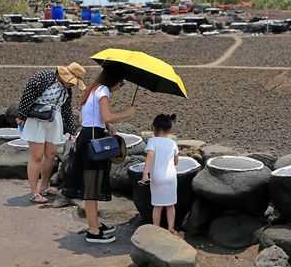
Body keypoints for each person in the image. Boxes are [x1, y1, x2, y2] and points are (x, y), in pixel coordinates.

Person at [75, 66, 136, 243]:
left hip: (87, 137)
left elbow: (84, 118)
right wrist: (127, 113)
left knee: (90, 186)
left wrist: (105, 126)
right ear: (114, 80)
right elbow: (107, 116)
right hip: (94, 141)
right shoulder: (103, 91)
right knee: (92, 188)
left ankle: (95, 223)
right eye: (122, 83)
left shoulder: (92, 90)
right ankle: (93, 232)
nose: (121, 86)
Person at [16, 62, 86, 204]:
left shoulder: (67, 90)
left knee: (51, 155)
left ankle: (44, 186)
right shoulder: (43, 77)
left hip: (54, 119)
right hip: (37, 119)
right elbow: (27, 96)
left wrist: (72, 130)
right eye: (72, 82)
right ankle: (34, 192)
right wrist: (22, 115)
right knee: (37, 156)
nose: (73, 85)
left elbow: (66, 109)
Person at [140, 114, 179, 234]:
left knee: (157, 205)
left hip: (157, 177)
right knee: (170, 205)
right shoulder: (173, 143)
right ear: (169, 129)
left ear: (154, 128)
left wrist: (145, 174)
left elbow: (150, 157)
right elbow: (176, 161)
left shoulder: (152, 141)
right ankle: (171, 228)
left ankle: (156, 228)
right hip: (171, 177)